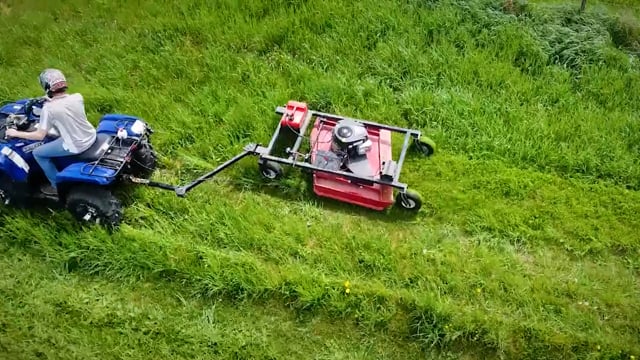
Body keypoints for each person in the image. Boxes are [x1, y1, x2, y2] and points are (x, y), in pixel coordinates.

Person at [5, 68, 97, 195]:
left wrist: (15, 133)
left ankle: (55, 185)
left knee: (38, 153)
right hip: (90, 135)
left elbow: (39, 135)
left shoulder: (49, 109)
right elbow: (64, 106)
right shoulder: (77, 97)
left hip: (76, 145)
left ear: (47, 87)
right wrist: (49, 100)